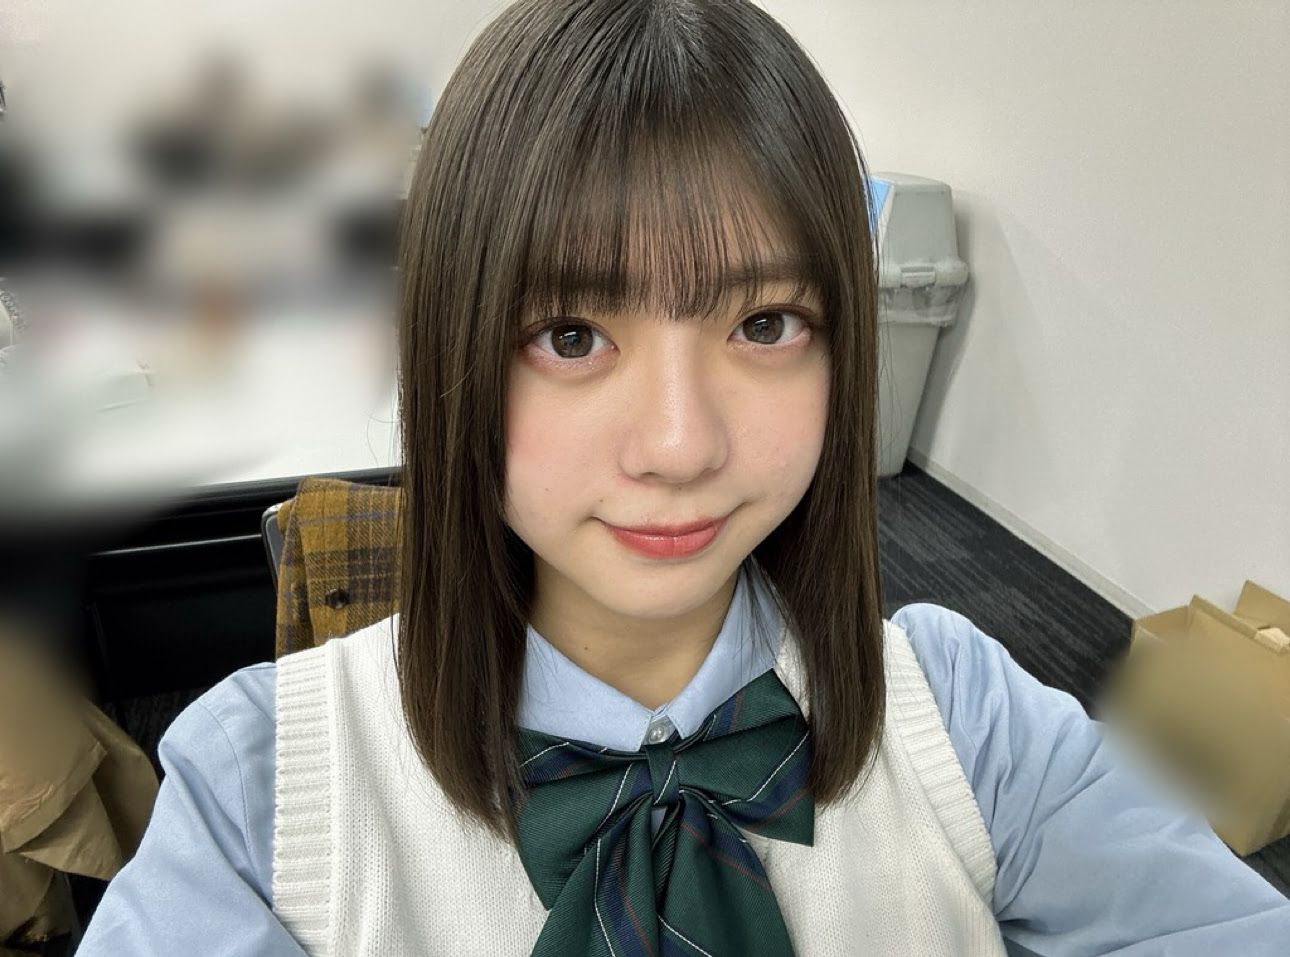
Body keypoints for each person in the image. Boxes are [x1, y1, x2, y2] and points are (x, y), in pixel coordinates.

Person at [78, 1, 1289, 954]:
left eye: (765, 324)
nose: (679, 445)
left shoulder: (967, 717)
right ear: (449, 347)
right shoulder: (259, 789)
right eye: (569, 335)